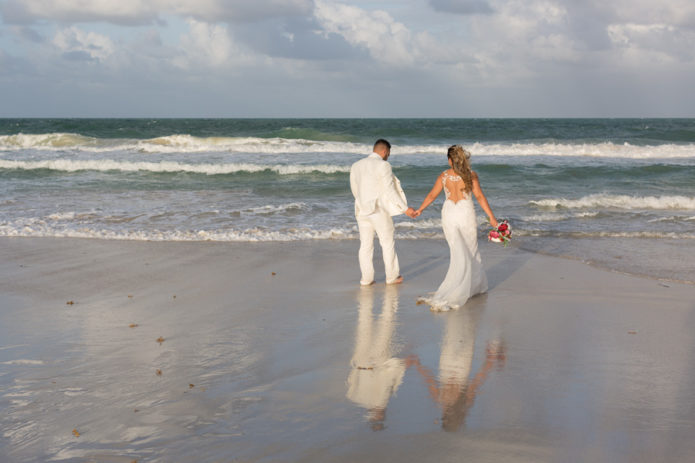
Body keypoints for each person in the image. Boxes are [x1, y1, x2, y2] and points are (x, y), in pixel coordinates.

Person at [414, 145, 498, 310]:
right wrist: (492, 218)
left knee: (457, 250)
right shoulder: (471, 176)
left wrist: (420, 209)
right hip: (465, 212)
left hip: (450, 213)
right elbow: (480, 197)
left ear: (449, 160)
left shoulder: (444, 176)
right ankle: (471, 287)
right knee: (470, 249)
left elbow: (432, 195)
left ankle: (463, 285)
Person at [350, 139, 417, 286]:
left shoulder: (356, 165)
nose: (388, 156)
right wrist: (405, 208)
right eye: (389, 153)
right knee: (387, 243)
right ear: (385, 151)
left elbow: (355, 190)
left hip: (361, 210)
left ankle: (366, 279)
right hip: (378, 210)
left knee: (365, 245)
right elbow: (389, 190)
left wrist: (362, 203)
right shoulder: (383, 165)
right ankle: (392, 277)